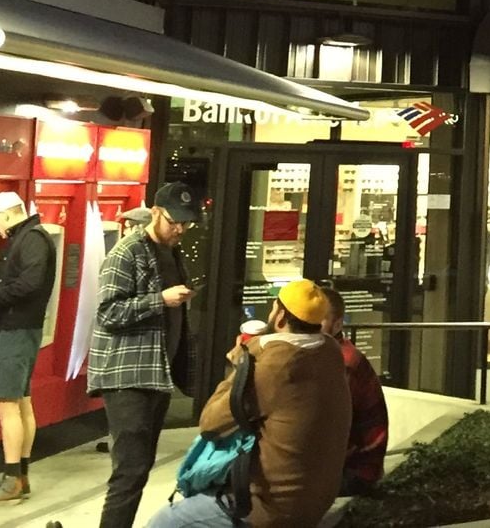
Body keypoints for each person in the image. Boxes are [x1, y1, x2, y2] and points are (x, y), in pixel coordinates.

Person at [143, 278, 350, 528]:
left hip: (270, 506)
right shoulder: (330, 352)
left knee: (165, 521)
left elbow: (210, 423)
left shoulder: (276, 366)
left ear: (280, 317)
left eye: (274, 307)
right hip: (316, 498)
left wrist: (242, 365)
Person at [90, 182, 203, 528]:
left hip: (156, 372)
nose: (180, 229)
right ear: (155, 212)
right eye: (174, 221)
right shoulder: (127, 252)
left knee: (140, 467)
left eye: (186, 223)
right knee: (130, 469)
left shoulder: (172, 253)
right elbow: (108, 313)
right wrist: (160, 300)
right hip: (127, 376)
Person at [0, 192, 58, 506]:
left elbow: (28, 284)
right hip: (23, 328)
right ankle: (22, 476)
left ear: (7, 215)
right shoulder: (33, 237)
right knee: (22, 403)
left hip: (18, 331)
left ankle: (10, 481)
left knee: (6, 405)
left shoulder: (31, 239)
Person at [317, 283, 388, 495]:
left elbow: (327, 429)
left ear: (337, 325)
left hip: (354, 472)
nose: (309, 325)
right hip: (346, 465)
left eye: (319, 320)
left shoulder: (342, 363)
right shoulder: (326, 355)